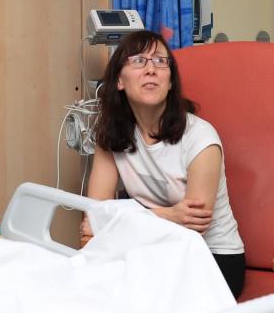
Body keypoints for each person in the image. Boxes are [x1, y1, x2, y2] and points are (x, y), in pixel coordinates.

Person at [78, 30, 245, 298]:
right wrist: (169, 215)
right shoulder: (111, 134)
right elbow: (96, 215)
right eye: (139, 61)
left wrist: (117, 224)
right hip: (147, 249)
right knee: (90, 288)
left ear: (170, 83)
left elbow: (192, 227)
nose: (151, 70)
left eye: (160, 62)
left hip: (211, 259)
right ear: (120, 80)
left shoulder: (201, 139)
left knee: (133, 300)